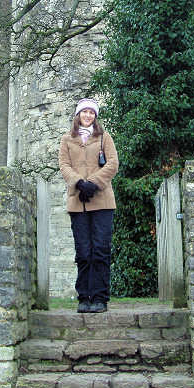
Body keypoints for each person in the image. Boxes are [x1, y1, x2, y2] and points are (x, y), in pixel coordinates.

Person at [58, 98, 119, 313]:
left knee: (100, 250)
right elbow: (64, 165)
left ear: (95, 116)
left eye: (91, 113)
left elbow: (112, 164)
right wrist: (79, 183)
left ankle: (100, 298)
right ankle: (84, 296)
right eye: (84, 112)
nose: (87, 116)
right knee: (83, 251)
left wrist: (92, 183)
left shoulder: (104, 137)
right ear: (78, 115)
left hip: (102, 201)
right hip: (78, 201)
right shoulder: (67, 139)